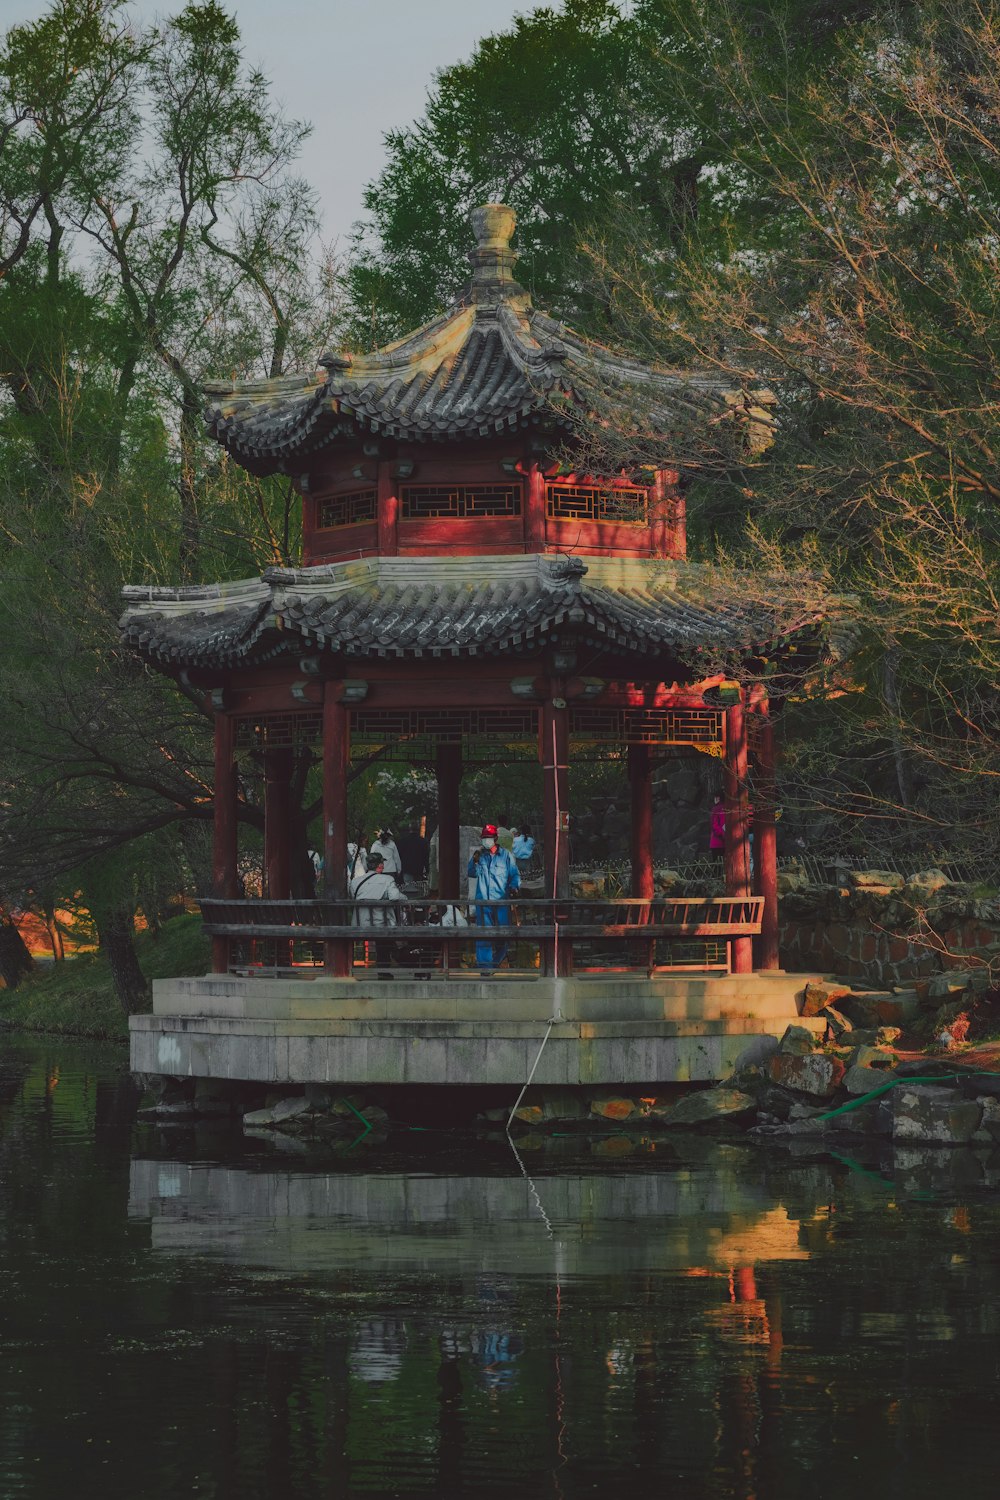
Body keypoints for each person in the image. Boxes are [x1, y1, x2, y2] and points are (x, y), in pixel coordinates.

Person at [467, 823, 520, 973]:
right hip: (483, 902)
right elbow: (471, 873)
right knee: (483, 935)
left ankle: (495, 962)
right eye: (484, 838)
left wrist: (514, 887)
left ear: (495, 838)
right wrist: (474, 861)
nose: (486, 840)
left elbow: (514, 875)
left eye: (489, 837)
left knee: (503, 935)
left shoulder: (506, 856)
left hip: (501, 902)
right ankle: (485, 967)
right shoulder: (479, 855)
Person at [350, 853, 407, 977]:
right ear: (380, 866)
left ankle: (389, 965)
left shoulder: (355, 882)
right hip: (380, 923)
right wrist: (405, 897)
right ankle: (386, 969)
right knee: (384, 939)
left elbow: (353, 895)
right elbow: (394, 897)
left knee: (385, 940)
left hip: (360, 923)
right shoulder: (387, 879)